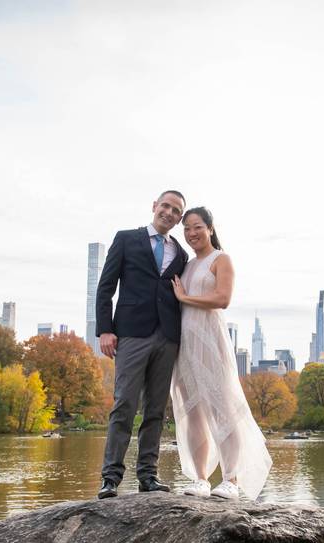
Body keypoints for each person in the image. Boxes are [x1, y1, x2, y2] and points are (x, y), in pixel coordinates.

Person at [170, 207, 273, 500]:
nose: (192, 233)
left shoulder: (221, 259)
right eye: (187, 228)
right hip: (186, 342)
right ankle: (201, 478)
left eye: (197, 227)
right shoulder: (187, 265)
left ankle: (231, 479)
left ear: (211, 228)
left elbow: (222, 299)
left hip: (210, 339)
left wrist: (185, 297)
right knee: (193, 412)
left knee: (222, 406)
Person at [95, 189, 189, 499]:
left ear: (179, 219)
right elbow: (106, 287)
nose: (169, 213)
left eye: (176, 210)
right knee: (124, 404)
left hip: (167, 337)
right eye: (166, 206)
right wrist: (105, 330)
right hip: (132, 334)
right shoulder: (125, 239)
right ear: (154, 206)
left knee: (155, 411)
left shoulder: (181, 254)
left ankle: (148, 475)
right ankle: (110, 478)